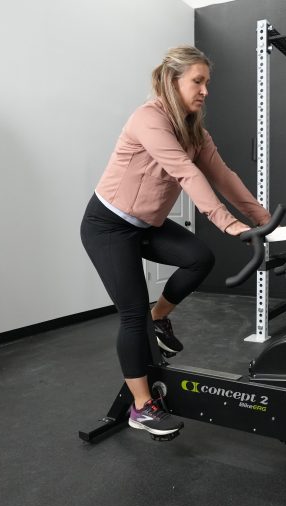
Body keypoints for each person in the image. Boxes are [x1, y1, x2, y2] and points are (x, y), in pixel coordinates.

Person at [80, 46, 271, 438]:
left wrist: (262, 219)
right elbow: (186, 173)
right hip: (108, 226)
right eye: (197, 82)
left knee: (199, 258)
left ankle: (159, 317)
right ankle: (141, 407)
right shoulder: (148, 119)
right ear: (172, 81)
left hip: (145, 224)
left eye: (207, 83)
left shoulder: (195, 131)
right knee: (131, 314)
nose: (205, 91)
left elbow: (223, 176)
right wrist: (226, 223)